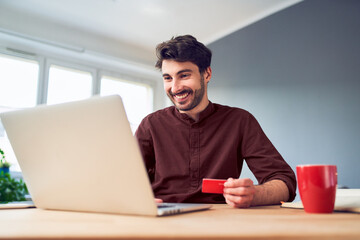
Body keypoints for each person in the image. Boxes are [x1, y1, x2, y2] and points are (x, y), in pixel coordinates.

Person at [135, 35, 296, 208]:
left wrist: (255, 194)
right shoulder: (150, 124)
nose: (175, 88)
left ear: (207, 74)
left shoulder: (240, 120)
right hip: (162, 218)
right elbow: (123, 179)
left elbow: (285, 182)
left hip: (221, 219)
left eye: (184, 75)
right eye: (168, 78)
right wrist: (136, 199)